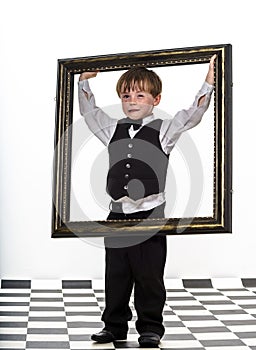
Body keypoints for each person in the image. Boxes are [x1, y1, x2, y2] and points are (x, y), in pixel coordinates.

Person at [78, 54, 216, 347]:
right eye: (126, 95)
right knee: (116, 274)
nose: (132, 101)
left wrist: (208, 82)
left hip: (150, 214)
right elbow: (90, 113)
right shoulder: (111, 129)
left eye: (140, 95)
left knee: (149, 275)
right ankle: (113, 326)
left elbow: (193, 113)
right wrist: (83, 81)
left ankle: (150, 328)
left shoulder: (165, 130)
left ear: (156, 99)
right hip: (117, 214)